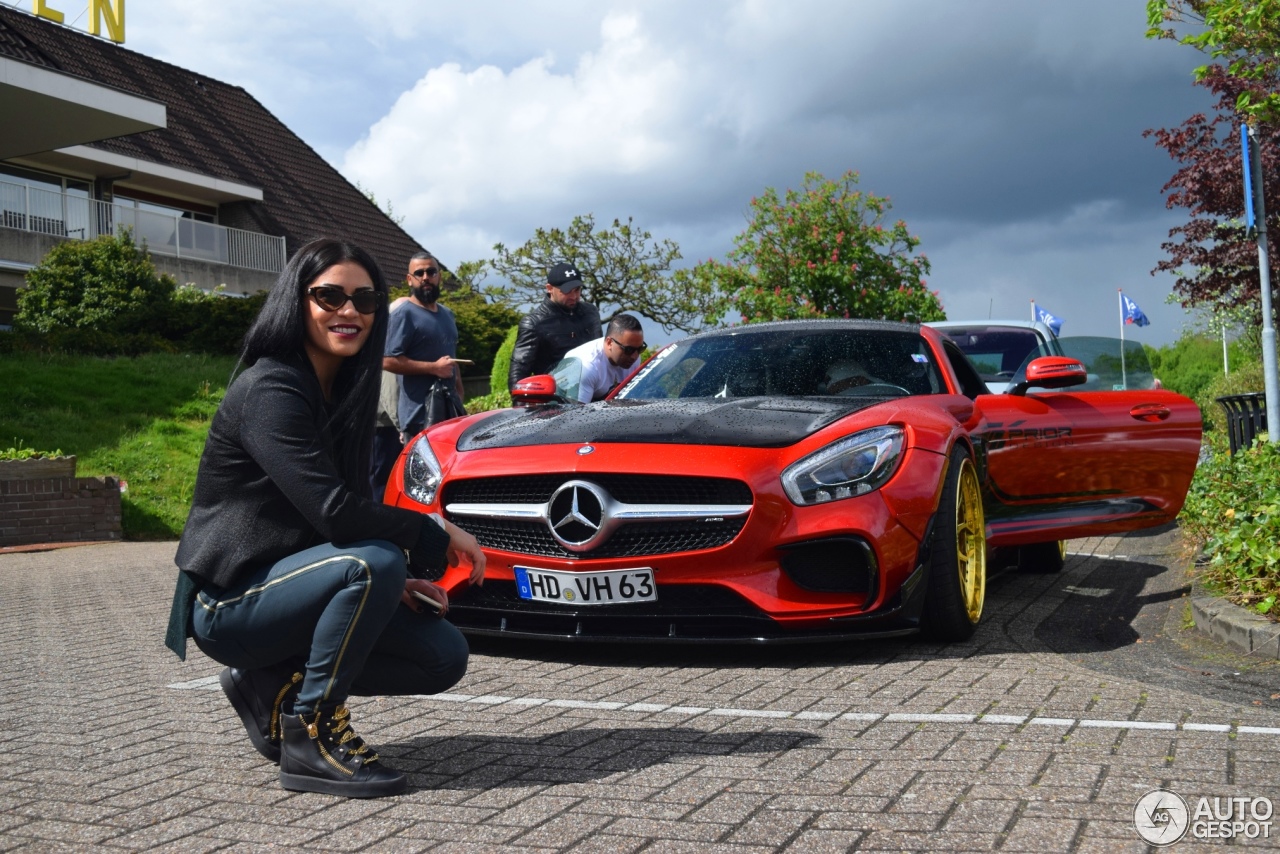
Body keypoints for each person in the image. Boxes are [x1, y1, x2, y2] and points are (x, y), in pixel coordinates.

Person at [164, 238, 486, 799]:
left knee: (442, 655)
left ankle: (267, 684)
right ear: (297, 300)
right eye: (329, 295)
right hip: (228, 603)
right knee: (371, 563)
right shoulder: (272, 387)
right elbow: (335, 514)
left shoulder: (342, 392)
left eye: (364, 300)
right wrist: (435, 534)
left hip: (288, 583)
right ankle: (311, 735)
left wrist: (395, 583)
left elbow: (332, 521)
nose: (349, 311)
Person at [384, 252, 466, 437]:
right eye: (419, 273)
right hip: (419, 418)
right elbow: (387, 360)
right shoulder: (403, 315)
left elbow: (451, 358)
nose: (426, 278)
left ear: (440, 276)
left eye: (431, 272)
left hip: (450, 413)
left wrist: (459, 394)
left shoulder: (448, 315)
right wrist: (433, 368)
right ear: (409, 280)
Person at [508, 261, 602, 389]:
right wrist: (522, 408)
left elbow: (602, 357)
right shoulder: (534, 323)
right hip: (557, 401)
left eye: (578, 290)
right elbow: (518, 379)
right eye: (567, 291)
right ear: (549, 288)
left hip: (597, 396)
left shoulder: (591, 313)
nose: (574, 296)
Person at [369, 296, 409, 499]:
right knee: (380, 480)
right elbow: (390, 388)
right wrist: (400, 424)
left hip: (385, 422)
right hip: (384, 423)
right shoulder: (388, 340)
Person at [562, 313, 646, 402]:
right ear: (609, 343)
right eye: (629, 350)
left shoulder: (633, 357)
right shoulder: (587, 367)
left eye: (640, 349)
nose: (635, 356)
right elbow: (576, 413)